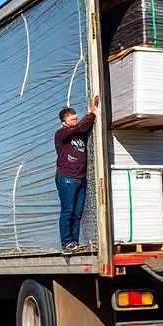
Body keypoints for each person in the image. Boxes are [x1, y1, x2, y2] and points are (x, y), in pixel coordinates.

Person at [54, 95, 100, 254]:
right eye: (72, 120)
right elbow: (79, 127)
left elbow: (84, 126)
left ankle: (74, 241)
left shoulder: (79, 132)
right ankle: (66, 244)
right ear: (64, 122)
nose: (75, 121)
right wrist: (91, 113)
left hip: (80, 178)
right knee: (68, 210)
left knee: (78, 211)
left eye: (75, 118)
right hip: (66, 177)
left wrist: (93, 113)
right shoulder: (61, 134)